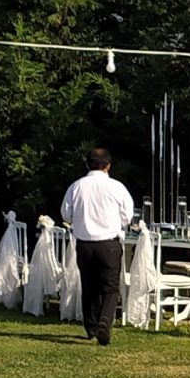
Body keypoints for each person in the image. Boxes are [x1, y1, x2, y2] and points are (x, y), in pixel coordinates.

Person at [59, 146, 134, 345]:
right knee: (110, 288)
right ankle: (105, 321)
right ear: (108, 165)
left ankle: (91, 327)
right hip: (109, 243)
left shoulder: (76, 187)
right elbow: (127, 216)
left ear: (87, 164)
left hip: (85, 243)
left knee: (89, 286)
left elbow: (66, 214)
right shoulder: (117, 187)